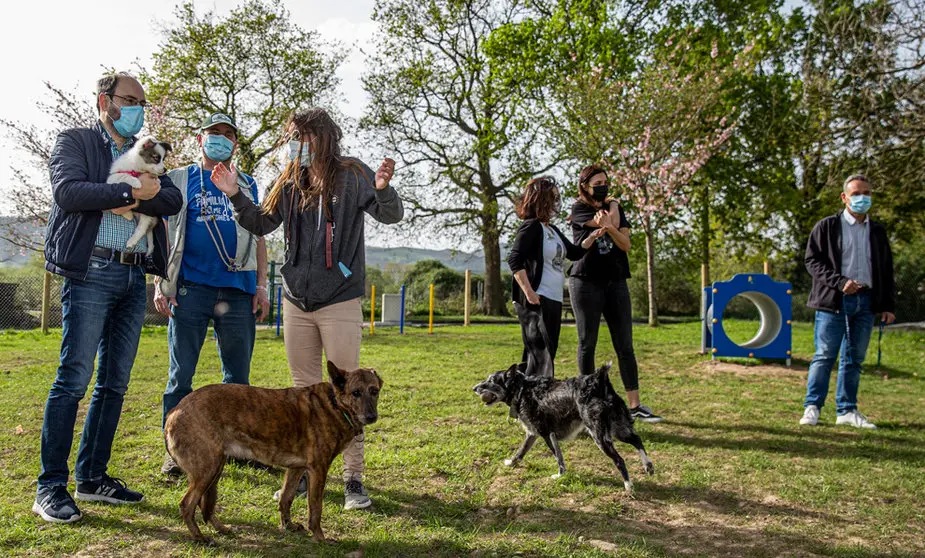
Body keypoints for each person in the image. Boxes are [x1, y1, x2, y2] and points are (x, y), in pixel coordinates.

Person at [211, 107, 403, 510]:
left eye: (300, 136)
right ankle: (300, 476)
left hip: (340, 299)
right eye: (290, 137)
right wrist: (233, 194)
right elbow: (261, 223)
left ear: (322, 137)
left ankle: (353, 480)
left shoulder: (353, 173)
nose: (293, 143)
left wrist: (383, 188)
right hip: (296, 301)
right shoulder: (288, 179)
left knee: (351, 393)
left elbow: (391, 214)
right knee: (304, 396)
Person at [35, 71, 182, 523]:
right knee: (73, 380)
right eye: (130, 100)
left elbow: (171, 200)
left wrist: (127, 199)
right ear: (105, 101)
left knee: (114, 384)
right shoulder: (76, 141)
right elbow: (69, 192)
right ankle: (50, 487)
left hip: (133, 275)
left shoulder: (147, 149)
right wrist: (127, 191)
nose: (138, 108)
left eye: (142, 102)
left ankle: (92, 477)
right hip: (91, 272)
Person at [154, 113, 270, 476]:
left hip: (237, 290)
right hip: (190, 289)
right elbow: (162, 231)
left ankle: (239, 448)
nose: (221, 138)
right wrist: (161, 281)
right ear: (200, 138)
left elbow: (259, 236)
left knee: (238, 378)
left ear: (235, 143)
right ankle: (175, 451)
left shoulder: (247, 184)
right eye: (213, 132)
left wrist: (261, 285)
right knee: (180, 376)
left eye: (228, 134)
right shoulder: (179, 179)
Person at [567, 165, 663, 423]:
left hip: (616, 281)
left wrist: (613, 214)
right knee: (587, 342)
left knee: (625, 345)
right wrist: (612, 215)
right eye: (597, 183)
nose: (603, 186)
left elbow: (626, 243)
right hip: (585, 281)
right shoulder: (579, 209)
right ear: (585, 186)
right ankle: (587, 405)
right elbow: (608, 223)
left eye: (605, 182)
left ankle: (635, 406)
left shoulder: (615, 208)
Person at [800, 174, 896, 429]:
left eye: (866, 193)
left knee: (854, 358)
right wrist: (839, 282)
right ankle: (812, 407)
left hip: (866, 302)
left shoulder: (877, 231)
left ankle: (847, 410)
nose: (862, 198)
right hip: (834, 301)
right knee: (824, 355)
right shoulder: (827, 226)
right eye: (856, 194)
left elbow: (886, 269)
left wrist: (887, 305)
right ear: (844, 197)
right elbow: (812, 262)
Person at [507, 176, 605, 375]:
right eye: (552, 198)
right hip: (537, 299)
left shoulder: (551, 229)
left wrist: (592, 237)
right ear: (541, 200)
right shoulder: (531, 226)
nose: (556, 203)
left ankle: (528, 390)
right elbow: (515, 260)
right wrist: (529, 293)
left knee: (547, 355)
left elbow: (574, 253)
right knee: (539, 356)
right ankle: (519, 390)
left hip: (554, 298)